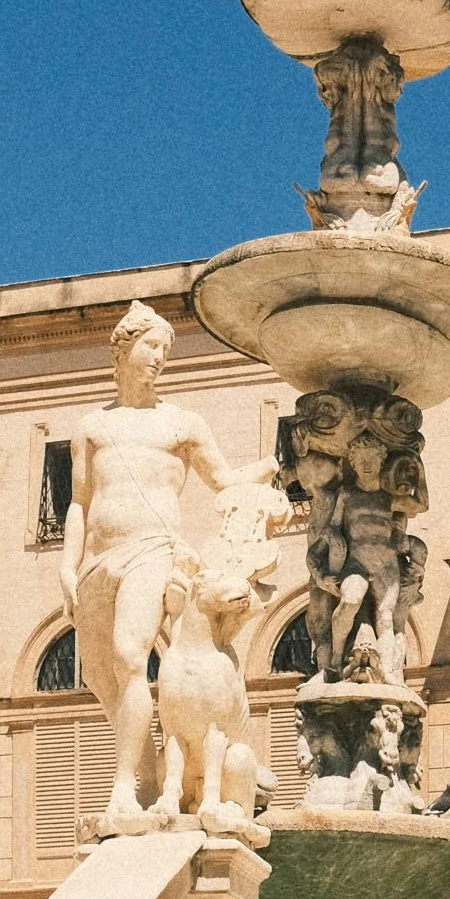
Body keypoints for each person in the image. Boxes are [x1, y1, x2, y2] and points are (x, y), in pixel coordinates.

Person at [60, 302, 283, 824]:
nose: (160, 358)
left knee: (130, 656)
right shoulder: (91, 426)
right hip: (97, 560)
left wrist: (275, 466)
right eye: (151, 346)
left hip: (154, 550)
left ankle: (123, 787)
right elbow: (78, 502)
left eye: (166, 349)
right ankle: (159, 769)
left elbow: (223, 481)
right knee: (100, 675)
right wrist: (67, 567)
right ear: (123, 349)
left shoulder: (183, 423)